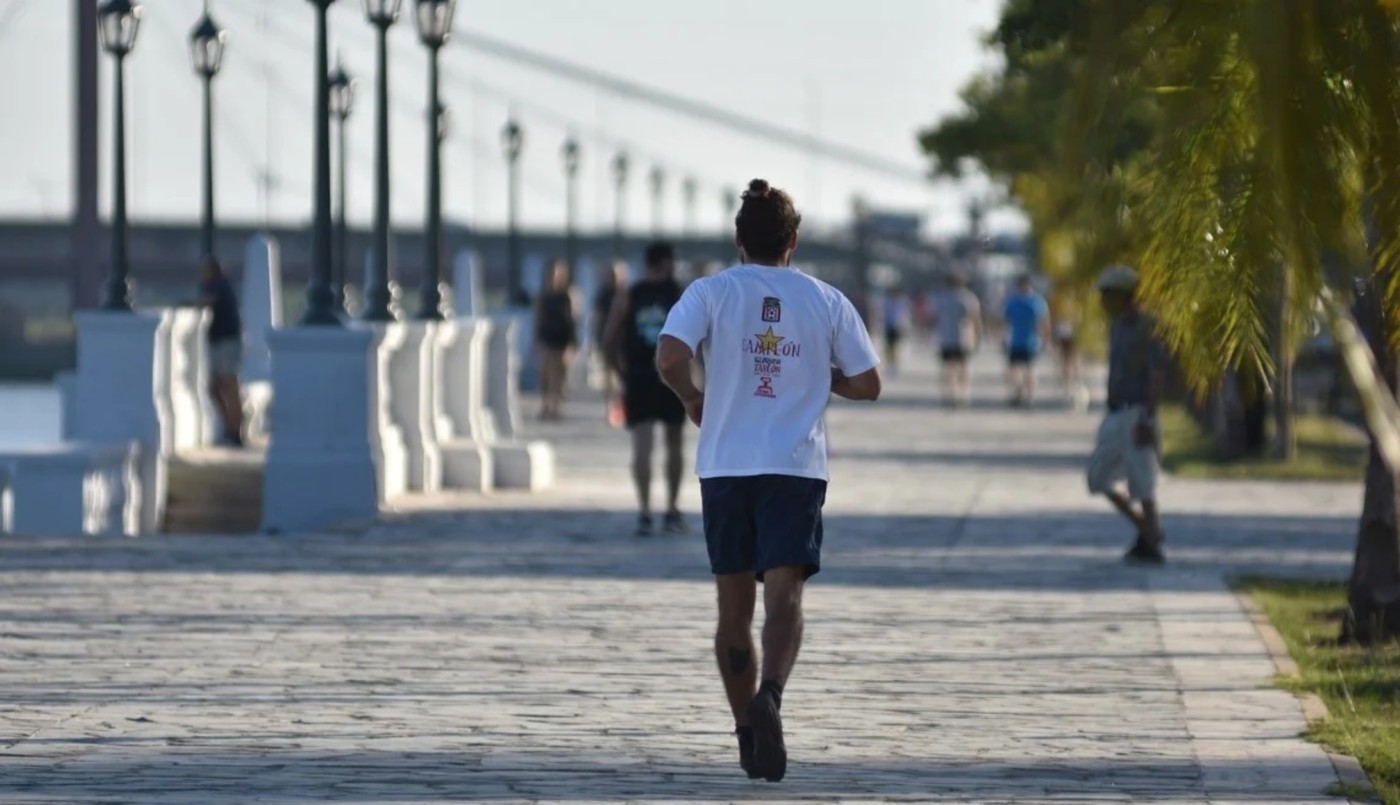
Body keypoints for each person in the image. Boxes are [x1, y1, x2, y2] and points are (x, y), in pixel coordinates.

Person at [656, 178, 881, 783]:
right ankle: (771, 696)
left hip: (726, 466)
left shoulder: (710, 292)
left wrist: (692, 398)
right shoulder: (826, 300)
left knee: (733, 610)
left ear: (738, 238)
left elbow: (670, 357)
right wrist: (822, 377)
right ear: (793, 241)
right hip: (794, 468)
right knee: (786, 597)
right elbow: (869, 383)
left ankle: (746, 733)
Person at [605, 242, 689, 536]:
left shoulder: (630, 294)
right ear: (666, 262)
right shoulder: (679, 294)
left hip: (638, 376)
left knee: (642, 445)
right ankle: (672, 509)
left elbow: (609, 338)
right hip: (673, 376)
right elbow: (697, 337)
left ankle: (644, 511)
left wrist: (620, 372)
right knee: (674, 444)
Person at [1087, 265, 1169, 563]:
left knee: (1142, 481)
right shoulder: (1117, 326)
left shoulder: (1149, 326)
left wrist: (1148, 418)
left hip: (1137, 413)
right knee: (1098, 477)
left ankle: (1151, 542)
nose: (1103, 302)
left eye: (1107, 295)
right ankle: (1148, 530)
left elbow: (1157, 374)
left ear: (1124, 296)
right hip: (1115, 413)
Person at [194, 258, 245, 448]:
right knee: (215, 387)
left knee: (229, 385)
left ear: (212, 270)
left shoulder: (219, 285)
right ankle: (231, 429)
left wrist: (187, 303)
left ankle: (235, 432)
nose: (201, 273)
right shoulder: (218, 285)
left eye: (204, 270)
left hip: (226, 342)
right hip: (220, 342)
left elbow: (207, 302)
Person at [533, 260, 578, 420]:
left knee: (559, 374)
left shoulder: (568, 295)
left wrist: (572, 344)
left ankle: (556, 406)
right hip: (547, 337)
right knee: (545, 373)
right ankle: (545, 405)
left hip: (563, 338)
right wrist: (536, 341)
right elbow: (538, 319)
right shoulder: (543, 296)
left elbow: (574, 320)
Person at [929, 272, 983, 408]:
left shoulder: (941, 297)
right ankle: (963, 395)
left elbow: (933, 319)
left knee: (948, 368)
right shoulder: (968, 298)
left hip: (946, 338)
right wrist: (978, 336)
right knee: (963, 368)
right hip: (963, 338)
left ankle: (948, 394)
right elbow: (975, 318)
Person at [1002, 275, 1050, 407]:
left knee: (1016, 369)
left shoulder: (1013, 301)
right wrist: (1045, 338)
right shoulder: (1037, 301)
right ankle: (1028, 395)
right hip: (1029, 341)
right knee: (1028, 369)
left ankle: (1018, 394)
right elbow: (1044, 322)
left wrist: (1002, 338)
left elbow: (1004, 321)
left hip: (1018, 340)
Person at [593, 261, 628, 426]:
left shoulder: (625, 294)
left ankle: (621, 407)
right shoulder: (604, 294)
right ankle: (609, 407)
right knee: (608, 375)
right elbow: (598, 317)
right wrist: (598, 338)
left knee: (623, 377)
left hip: (622, 341)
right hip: (608, 339)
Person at [881, 287, 911, 375]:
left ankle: (895, 366)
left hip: (896, 328)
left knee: (895, 348)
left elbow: (903, 316)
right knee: (888, 348)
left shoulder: (900, 303)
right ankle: (889, 365)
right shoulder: (887, 302)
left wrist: (903, 327)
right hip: (888, 327)